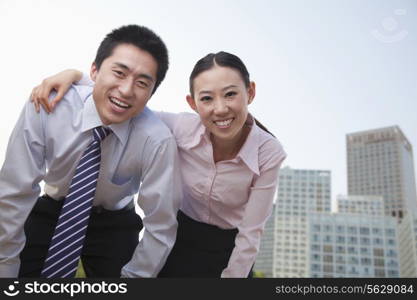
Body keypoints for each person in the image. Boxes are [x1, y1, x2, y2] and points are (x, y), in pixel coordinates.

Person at [31, 51, 287, 278]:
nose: (220, 109)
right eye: (207, 98)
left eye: (230, 94)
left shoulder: (268, 152)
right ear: (193, 103)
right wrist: (76, 76)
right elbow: (128, 102)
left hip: (232, 249)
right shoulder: (180, 127)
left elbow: (251, 233)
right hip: (179, 240)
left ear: (250, 92)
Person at [0, 24, 182, 278]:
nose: (127, 90)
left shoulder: (157, 140)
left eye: (142, 83)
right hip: (52, 209)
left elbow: (161, 224)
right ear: (94, 70)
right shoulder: (48, 104)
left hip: (115, 222)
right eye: (119, 73)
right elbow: (14, 192)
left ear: (151, 94)